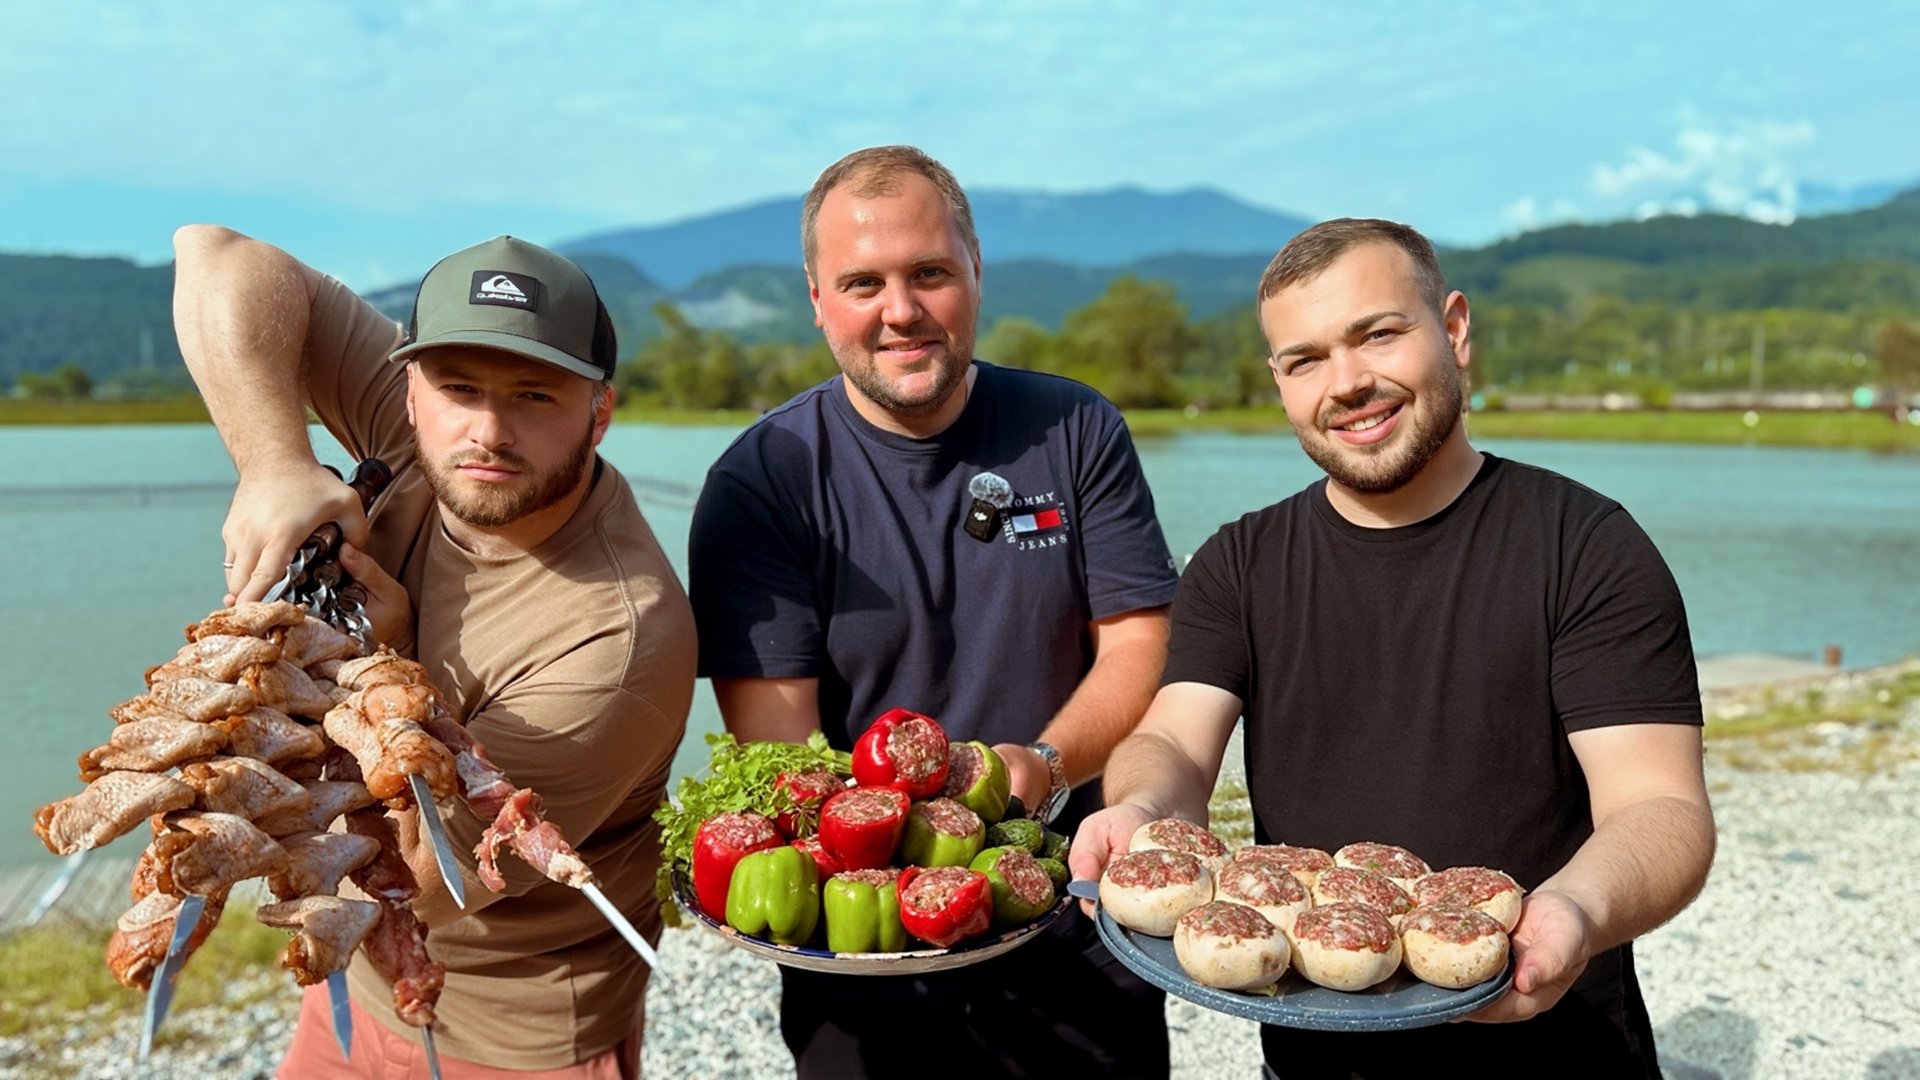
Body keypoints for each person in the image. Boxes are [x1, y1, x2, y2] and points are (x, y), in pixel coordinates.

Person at [1069, 219, 1716, 1078]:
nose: (1348, 384)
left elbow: (1662, 810)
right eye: (1305, 360)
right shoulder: (1240, 561)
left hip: (1553, 1048)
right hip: (1310, 1058)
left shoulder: (1585, 547)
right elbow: (1173, 740)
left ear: (1453, 330)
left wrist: (1575, 910)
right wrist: (1146, 812)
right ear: (1280, 381)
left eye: (1378, 334)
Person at [686, 145, 1180, 1076]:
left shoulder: (1076, 429)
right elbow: (778, 743)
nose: (900, 310)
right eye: (862, 281)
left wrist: (1043, 764)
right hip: (865, 952)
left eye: (929, 274)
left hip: (1068, 911)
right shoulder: (760, 483)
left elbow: (1139, 647)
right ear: (817, 296)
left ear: (976, 270)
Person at [173, 227, 695, 1078]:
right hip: (354, 991)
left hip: (517, 1036)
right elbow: (215, 255)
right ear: (407, 390)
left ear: (600, 411)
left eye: (536, 395)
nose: (488, 430)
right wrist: (273, 464)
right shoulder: (419, 431)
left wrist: (387, 655)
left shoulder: (617, 637)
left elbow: (418, 885)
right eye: (458, 387)